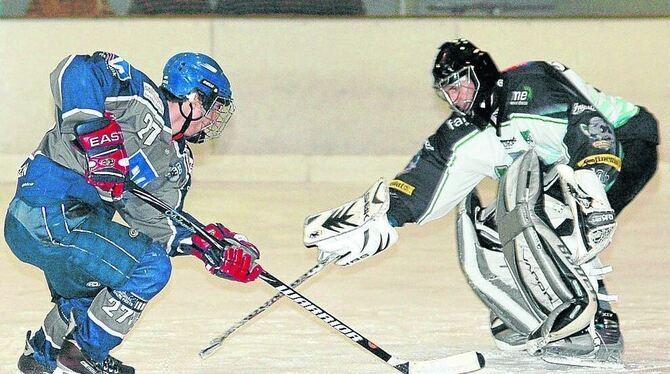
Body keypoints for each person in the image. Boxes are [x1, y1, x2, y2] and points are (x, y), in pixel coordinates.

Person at [305, 39, 658, 368]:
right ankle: (535, 308)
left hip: (626, 144)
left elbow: (592, 126)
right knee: (492, 226)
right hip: (570, 172)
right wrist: (383, 221)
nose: (457, 98)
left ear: (482, 72)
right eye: (449, 91)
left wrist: (592, 181)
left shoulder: (530, 87)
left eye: (461, 84)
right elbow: (426, 175)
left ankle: (595, 325)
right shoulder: (467, 130)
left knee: (556, 220)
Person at [5, 51, 264, 374]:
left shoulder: (174, 164)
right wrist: (97, 135)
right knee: (150, 267)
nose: (213, 119)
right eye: (212, 107)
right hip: (45, 209)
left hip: (63, 226)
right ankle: (81, 355)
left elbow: (156, 225)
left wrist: (208, 246)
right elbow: (73, 69)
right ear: (193, 100)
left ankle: (42, 352)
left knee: (105, 282)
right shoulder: (139, 96)